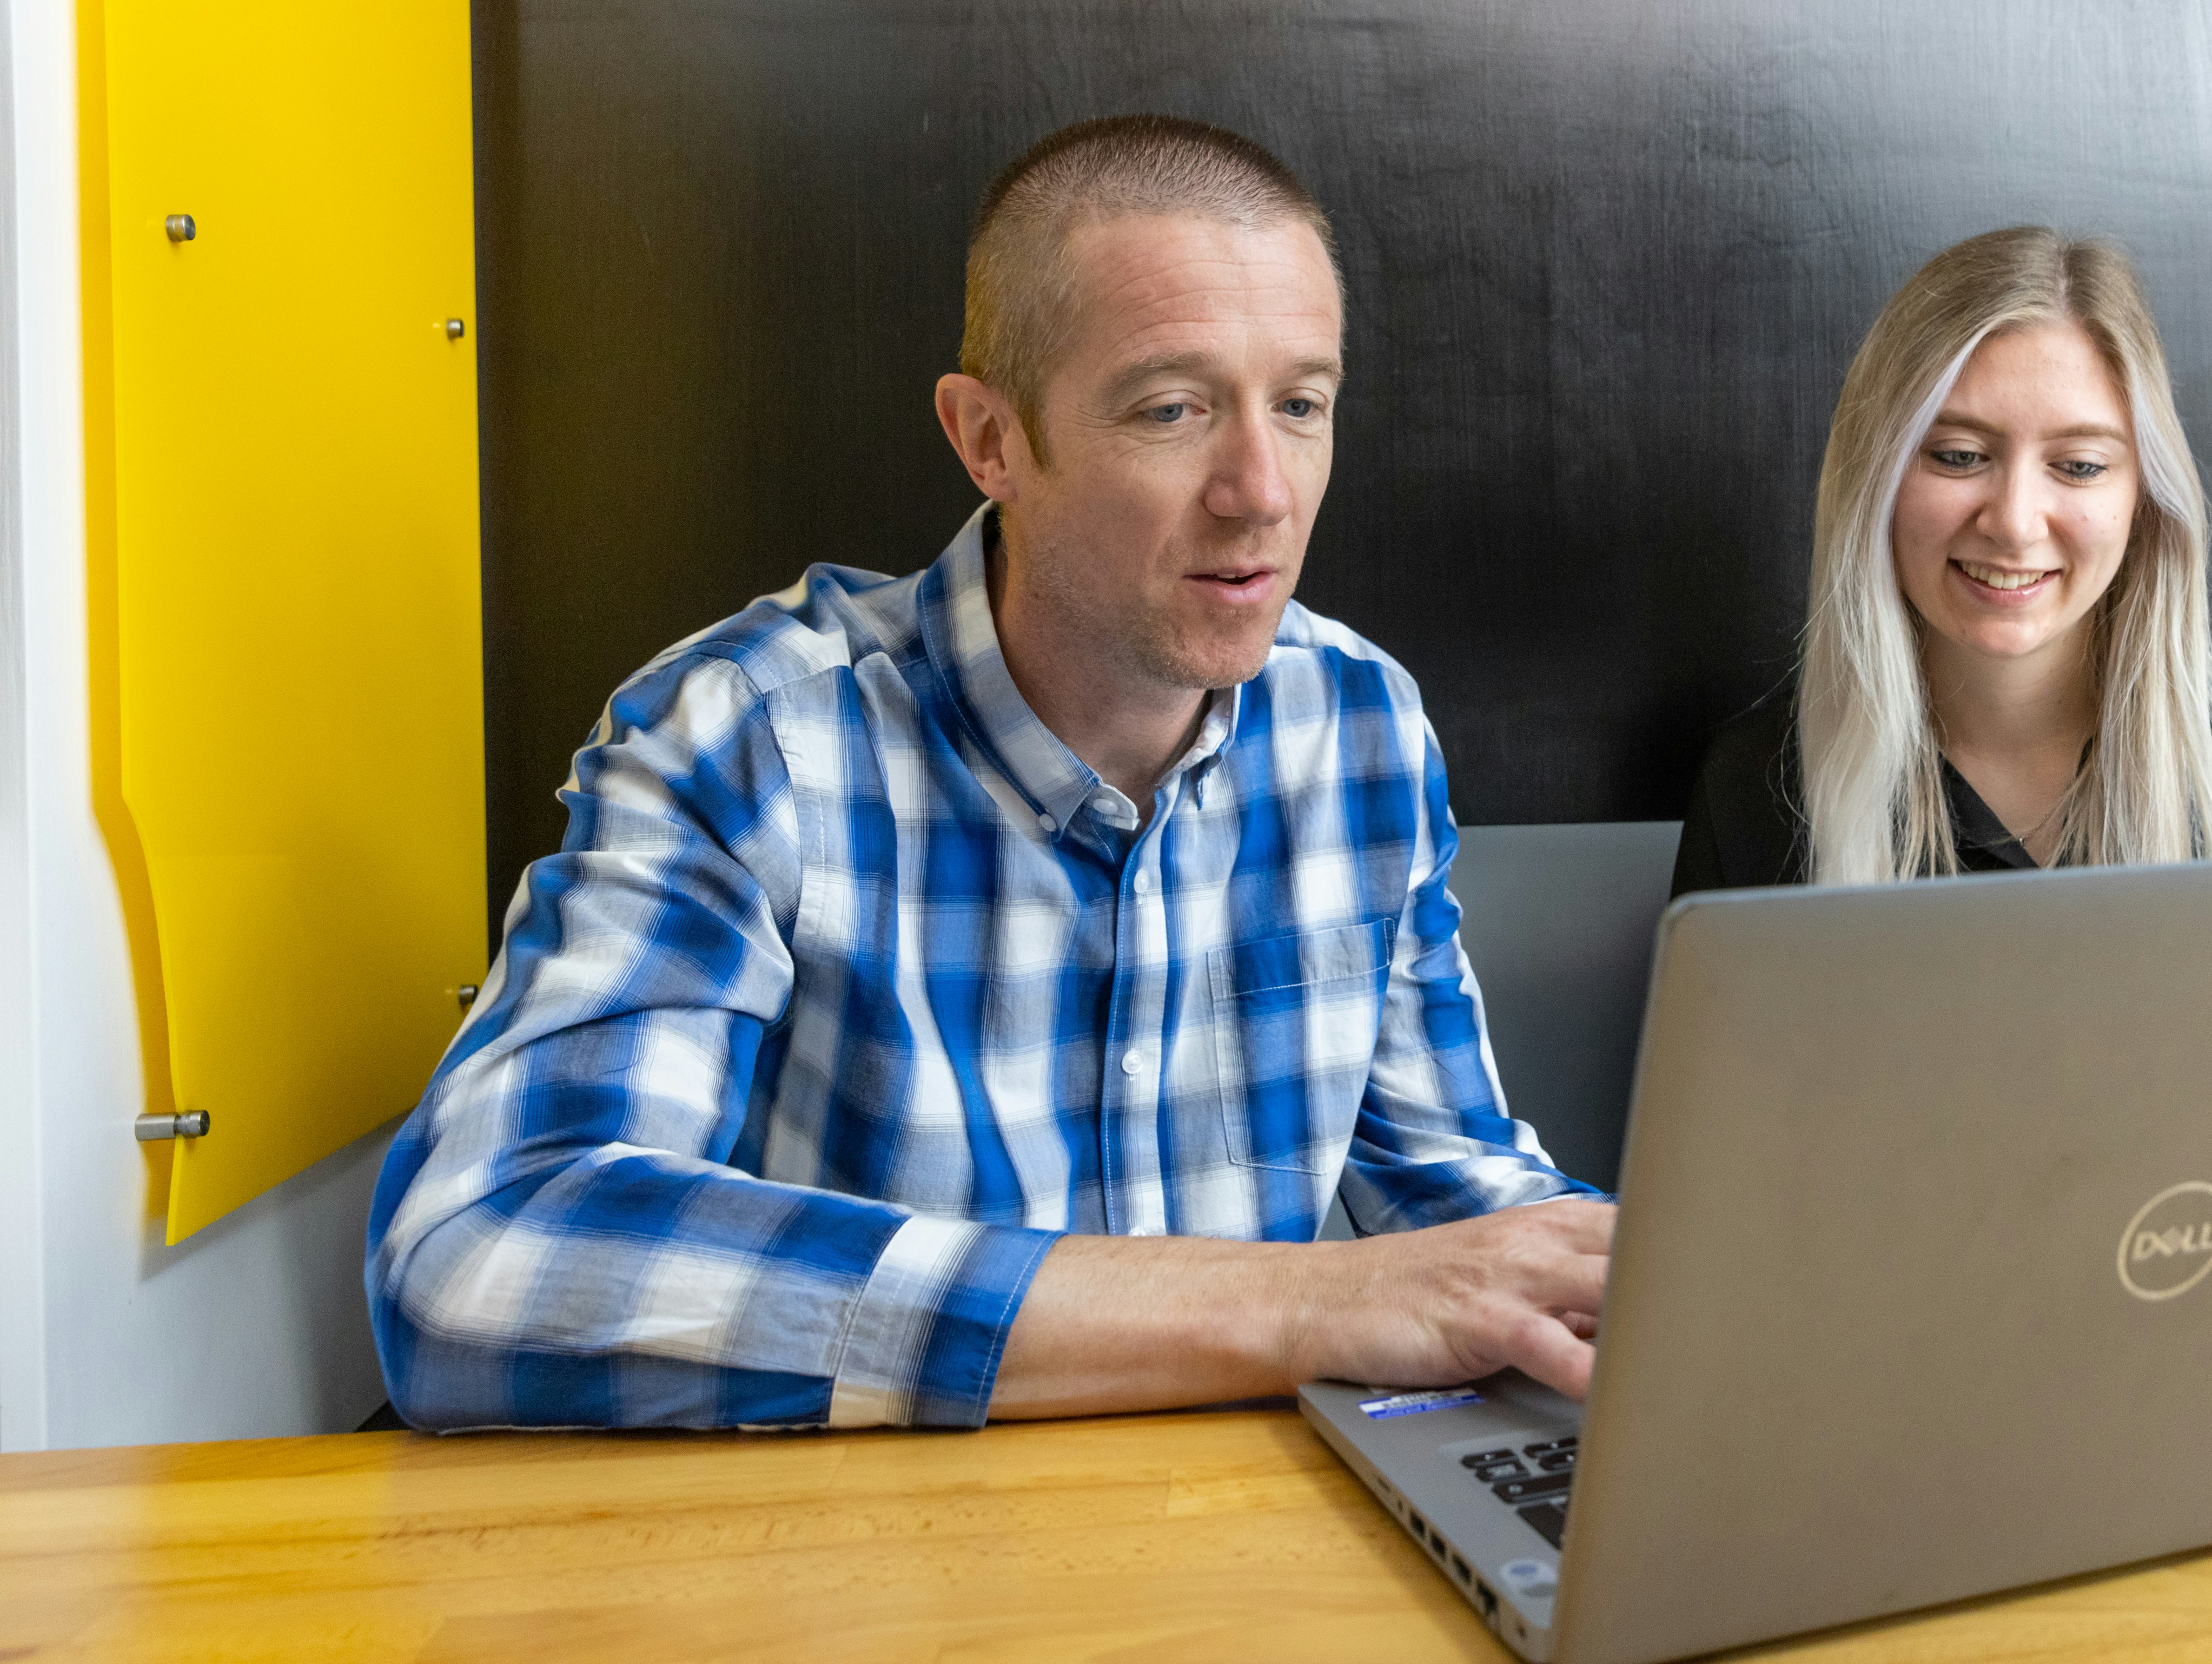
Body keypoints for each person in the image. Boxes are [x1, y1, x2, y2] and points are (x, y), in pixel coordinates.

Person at [369, 117, 1612, 1431]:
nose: (1261, 492)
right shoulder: (750, 736)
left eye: (1300, 405)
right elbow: (478, 1258)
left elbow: (1442, 1188)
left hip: (1265, 1551)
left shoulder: (1357, 722)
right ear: (988, 440)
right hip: (883, 1573)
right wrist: (1292, 1307)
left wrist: (1674, 1288)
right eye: (1172, 409)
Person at [1675, 227, 2212, 894]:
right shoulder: (1756, 789)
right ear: (1875, 482)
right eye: (1959, 455)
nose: (2015, 524)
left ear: (2144, 499)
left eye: (2080, 466)